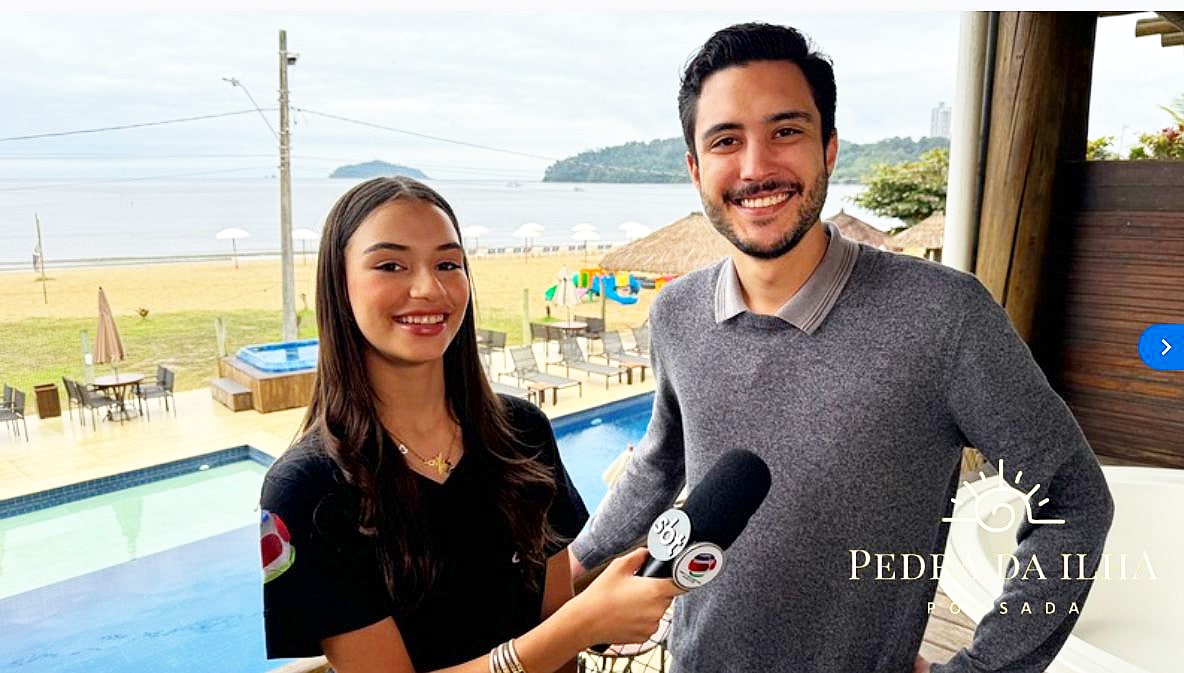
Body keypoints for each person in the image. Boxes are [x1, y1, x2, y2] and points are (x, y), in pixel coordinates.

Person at [569, 23, 1114, 673]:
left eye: (786, 131)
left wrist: (982, 666)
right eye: (725, 140)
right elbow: (662, 459)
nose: (755, 165)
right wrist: (569, 571)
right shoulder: (677, 312)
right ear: (694, 167)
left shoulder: (945, 316)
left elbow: (1074, 497)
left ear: (829, 148)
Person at [259, 176, 681, 673]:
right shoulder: (307, 488)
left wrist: (580, 624)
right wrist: (581, 624)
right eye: (391, 264)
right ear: (340, 285)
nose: (428, 288)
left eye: (447, 264)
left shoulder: (522, 433)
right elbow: (562, 631)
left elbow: (556, 631)